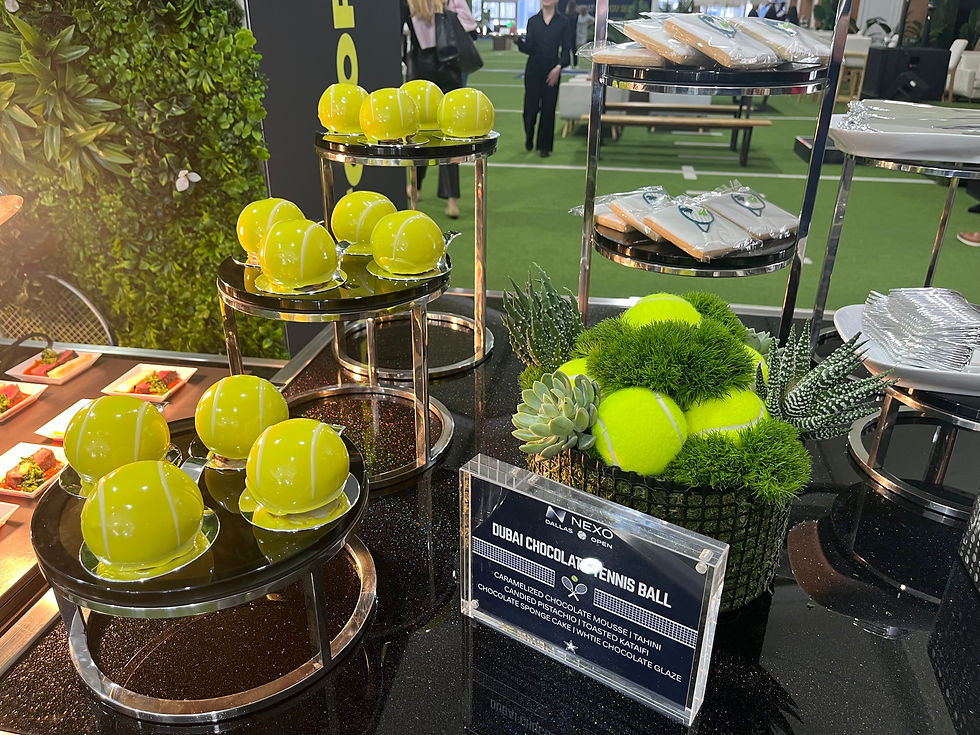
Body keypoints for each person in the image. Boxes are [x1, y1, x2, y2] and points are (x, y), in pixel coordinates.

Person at [402, 0, 477, 218]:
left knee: (421, 131)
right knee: (448, 132)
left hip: (422, 65)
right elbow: (470, 24)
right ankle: (450, 200)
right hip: (447, 64)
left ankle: (416, 187)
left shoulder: (411, 3)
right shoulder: (449, 1)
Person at [518, 0, 571, 158]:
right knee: (530, 109)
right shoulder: (533, 21)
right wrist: (518, 41)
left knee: (548, 109)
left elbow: (566, 49)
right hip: (533, 71)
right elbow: (529, 48)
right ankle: (529, 135)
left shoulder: (563, 22)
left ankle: (544, 146)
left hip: (552, 72)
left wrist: (558, 68)